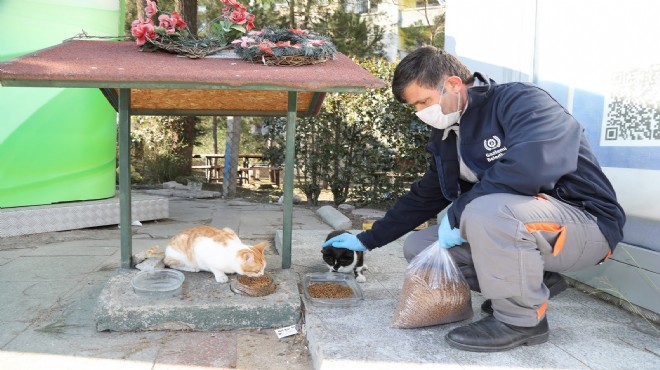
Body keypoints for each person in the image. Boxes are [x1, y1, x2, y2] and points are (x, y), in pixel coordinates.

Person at [322, 46, 625, 352]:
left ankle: (521, 321)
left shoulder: (520, 101)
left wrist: (459, 214)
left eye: (424, 101)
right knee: (421, 247)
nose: (421, 112)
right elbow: (426, 195)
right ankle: (536, 280)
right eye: (415, 107)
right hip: (525, 225)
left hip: (586, 223)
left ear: (453, 84)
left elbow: (534, 164)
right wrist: (367, 239)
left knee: (485, 212)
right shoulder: (446, 135)